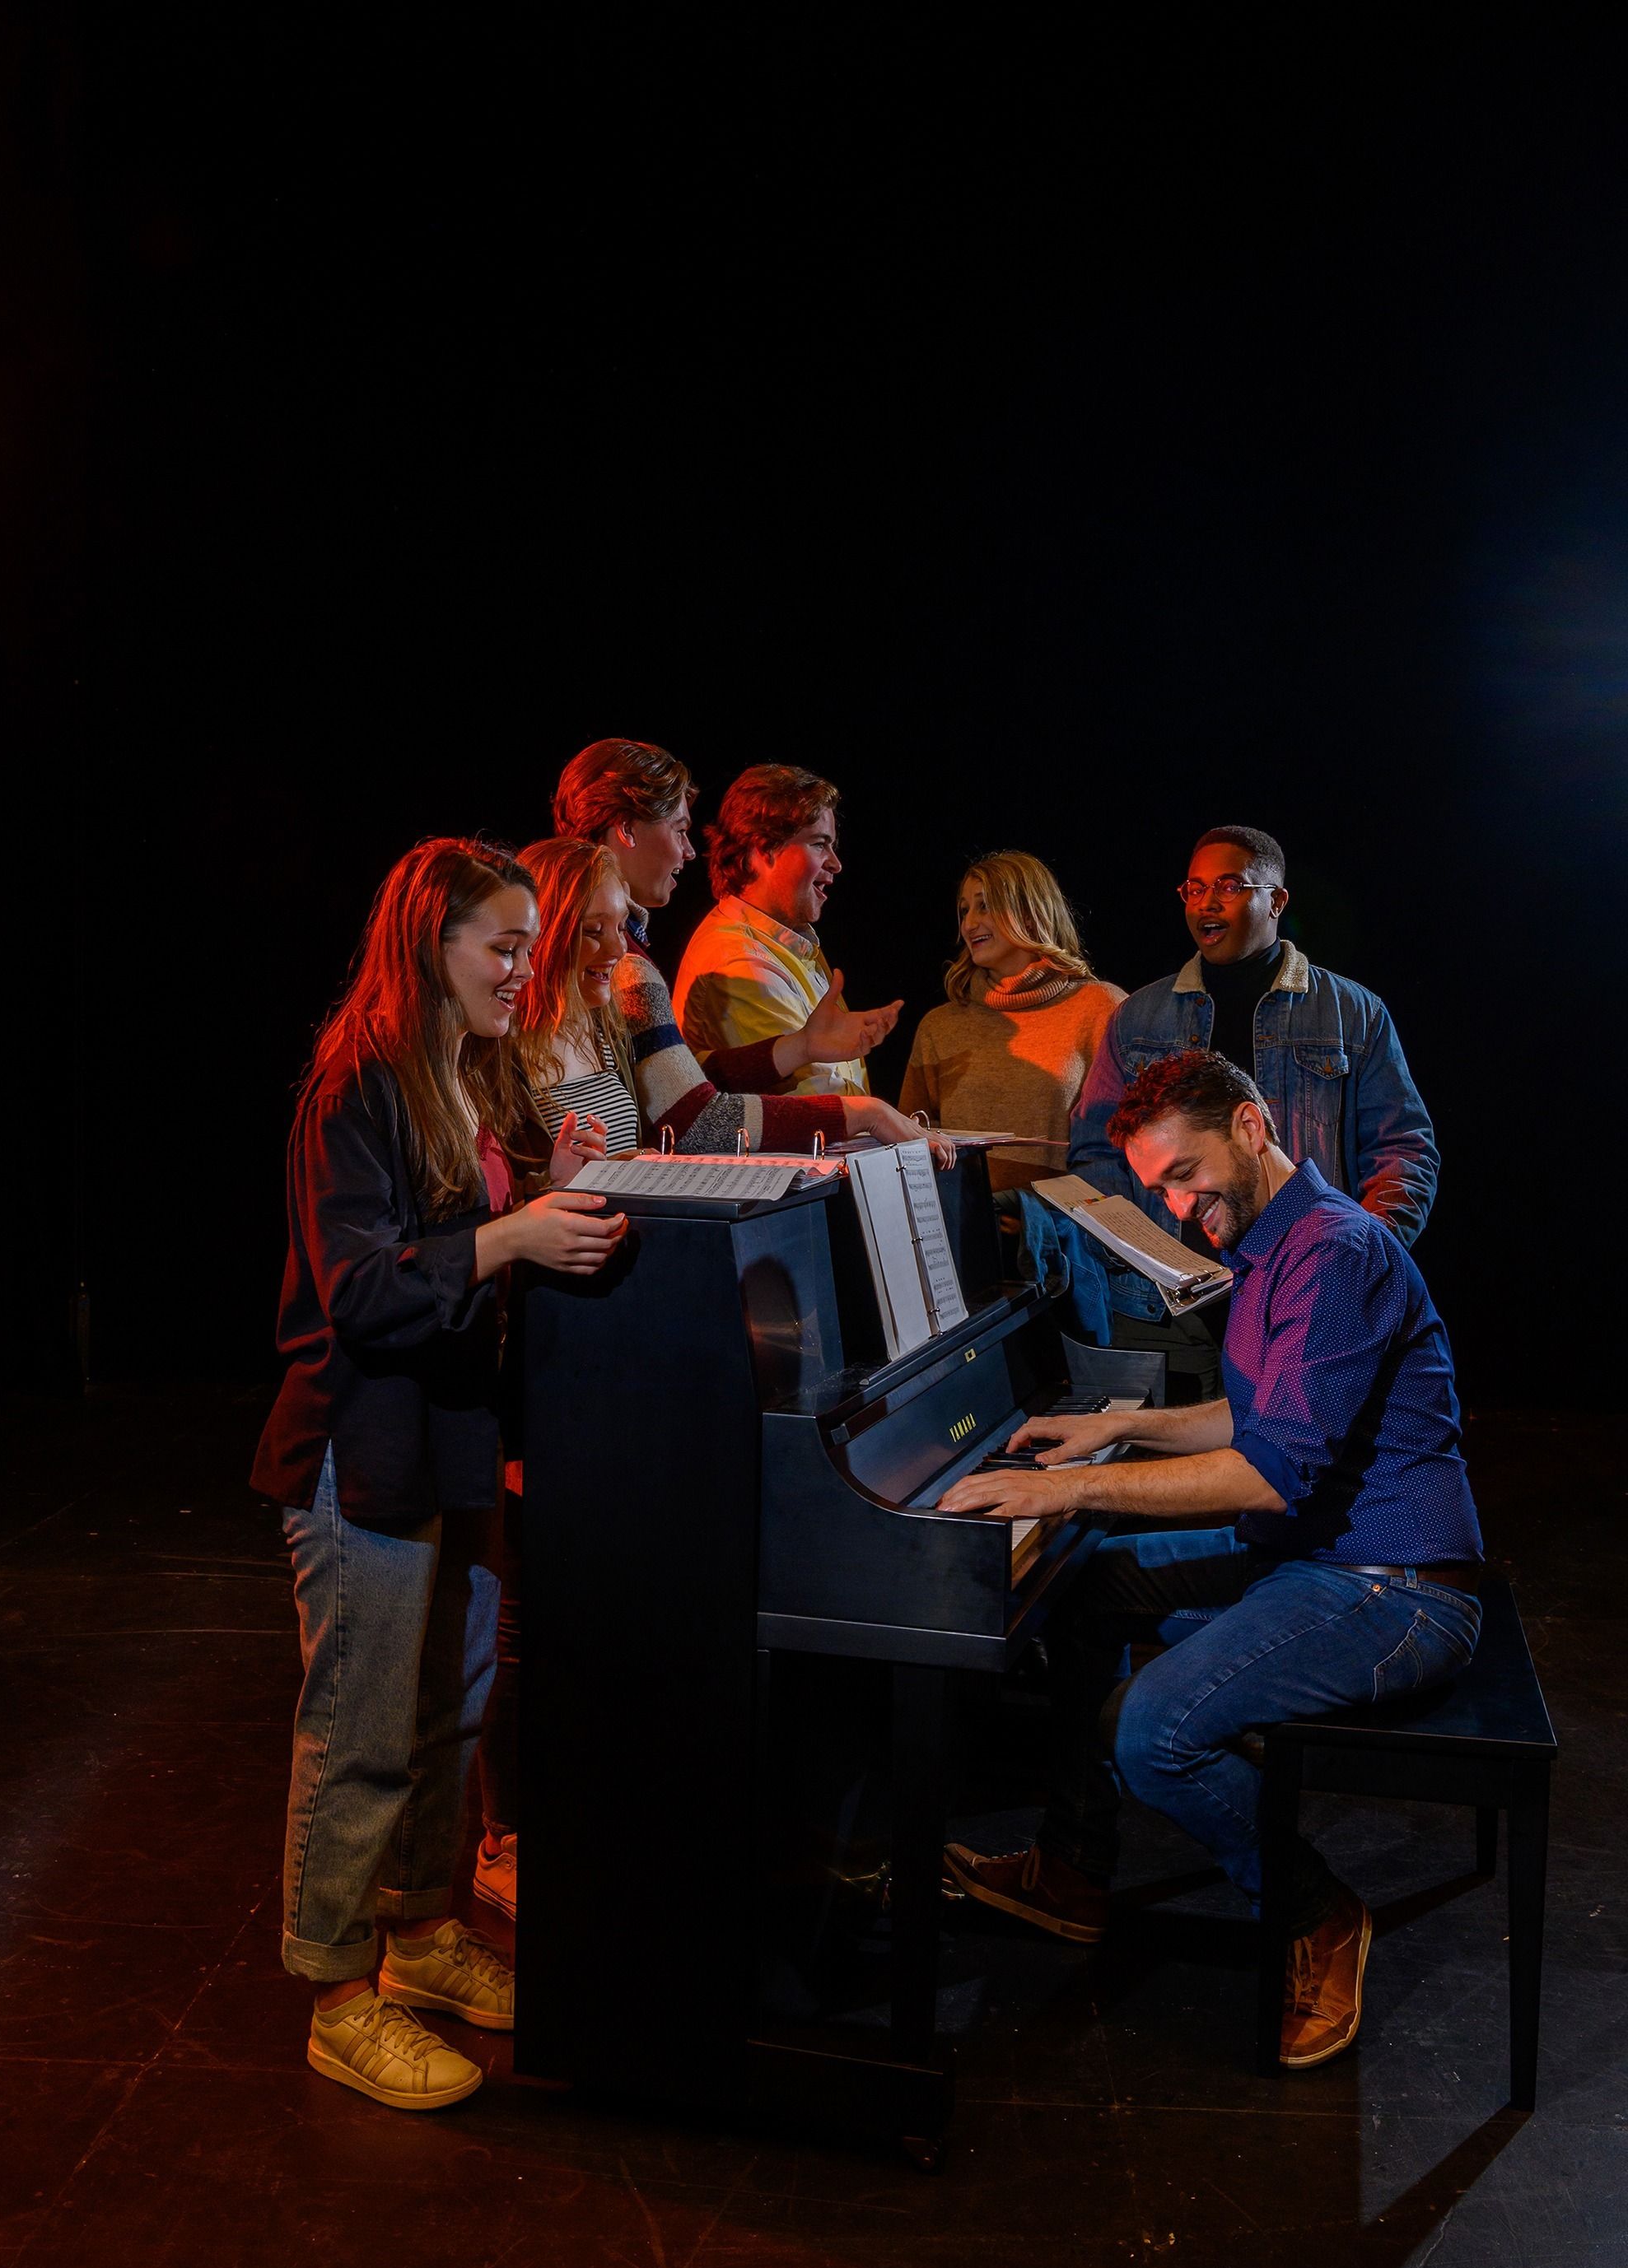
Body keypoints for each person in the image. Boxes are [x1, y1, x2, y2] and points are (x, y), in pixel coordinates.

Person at [940, 1048, 1481, 2070]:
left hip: (1394, 1586)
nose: (1179, 1209)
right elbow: (1259, 1414)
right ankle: (1071, 1869)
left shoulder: (1335, 1250)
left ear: (1247, 1125)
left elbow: (1268, 1471)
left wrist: (1068, 1485)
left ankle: (1313, 1911)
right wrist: (1112, 1437)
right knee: (1094, 1583)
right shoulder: (1280, 1243)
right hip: (1315, 1551)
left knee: (1153, 1729)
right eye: (1157, 1191)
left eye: (1182, 1177)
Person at [468, 835, 935, 1925]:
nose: (611, 948)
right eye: (587, 930)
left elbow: (691, 1126)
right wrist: (555, 1181)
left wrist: (840, 1120)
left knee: (599, 1586)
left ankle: (592, 1801)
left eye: (614, 926)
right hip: (539, 1329)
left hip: (617, 1318)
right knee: (529, 1597)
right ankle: (506, 1831)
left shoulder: (605, 1004)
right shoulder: (495, 1038)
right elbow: (493, 1185)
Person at [250, 837, 626, 2111]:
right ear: (430, 947)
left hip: (450, 1441)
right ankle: (337, 1994)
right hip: (362, 1452)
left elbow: (457, 1248)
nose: (527, 970)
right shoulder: (353, 1084)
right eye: (504, 946)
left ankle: (418, 1939)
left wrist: (549, 1193)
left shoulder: (463, 1077)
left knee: (444, 1715)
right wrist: (516, 1232)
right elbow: (358, 1289)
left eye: (530, 944)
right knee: (358, 1731)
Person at [1069, 824, 1439, 1397]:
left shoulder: (1352, 1013)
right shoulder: (1138, 1018)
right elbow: (1096, 1151)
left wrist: (1353, 1259)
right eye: (1193, 889)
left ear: (1277, 900)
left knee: (1288, 1470)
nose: (1206, 903)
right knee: (1171, 1468)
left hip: (1305, 1298)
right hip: (1170, 1311)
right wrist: (1144, 1256)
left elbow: (1405, 1151)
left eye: (1230, 886)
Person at [552, 737, 900, 1097]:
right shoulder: (627, 963)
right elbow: (686, 1111)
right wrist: (869, 1115)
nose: (689, 852)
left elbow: (679, 1083)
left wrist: (802, 1046)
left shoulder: (629, 954)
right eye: (681, 830)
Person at [898, 850, 1126, 1194]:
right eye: (964, 910)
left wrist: (1041, 1211)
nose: (969, 923)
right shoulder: (939, 1027)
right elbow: (908, 1146)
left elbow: (1127, 1141)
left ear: (1031, 915)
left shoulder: (1100, 1008)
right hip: (963, 1232)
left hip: (1062, 1236)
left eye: (985, 905)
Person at [672, 762, 894, 1097]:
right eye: (820, 844)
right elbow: (814, 1101)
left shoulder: (787, 942)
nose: (836, 863)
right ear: (764, 850)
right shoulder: (738, 959)